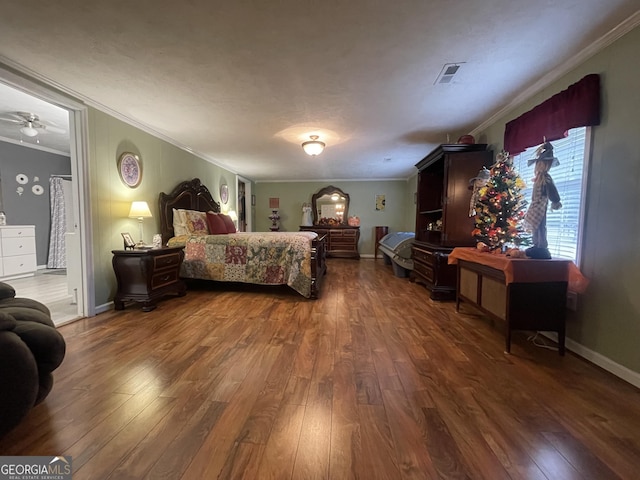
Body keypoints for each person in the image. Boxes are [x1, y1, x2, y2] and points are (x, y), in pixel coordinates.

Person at [524, 141, 562, 259]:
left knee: (541, 226)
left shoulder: (546, 178)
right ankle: (536, 245)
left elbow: (552, 190)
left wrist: (555, 200)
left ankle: (542, 246)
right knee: (535, 226)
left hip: (541, 204)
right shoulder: (538, 178)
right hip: (535, 204)